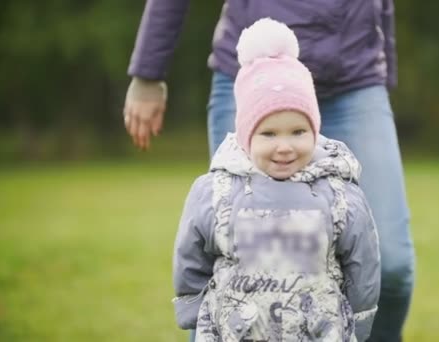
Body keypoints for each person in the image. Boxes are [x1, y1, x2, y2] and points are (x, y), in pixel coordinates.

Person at [124, 1, 414, 341]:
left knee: (391, 266)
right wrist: (148, 72)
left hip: (356, 80)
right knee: (233, 257)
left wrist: (384, 69)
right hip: (251, 76)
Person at [172, 18, 380, 341]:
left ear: (315, 130)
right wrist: (192, 307)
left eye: (298, 131)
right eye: (268, 134)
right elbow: (191, 254)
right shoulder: (217, 192)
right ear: (246, 138)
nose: (284, 146)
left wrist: (360, 320)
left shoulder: (339, 192)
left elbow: (362, 262)